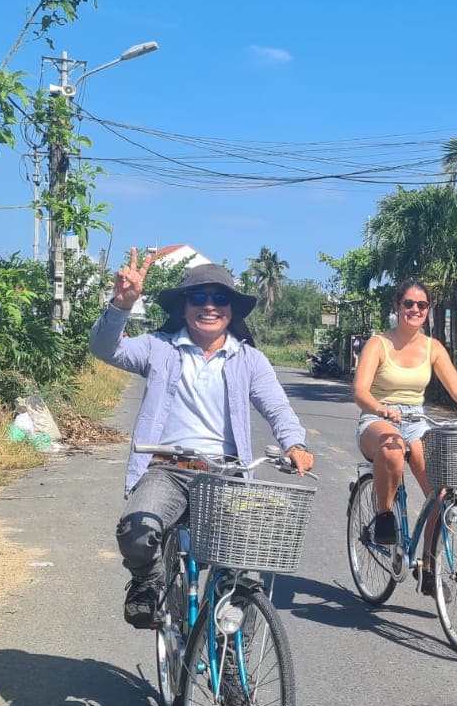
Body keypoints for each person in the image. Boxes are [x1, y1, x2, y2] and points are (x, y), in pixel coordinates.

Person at [90, 251, 315, 628]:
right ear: (184, 306)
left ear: (232, 309)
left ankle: (229, 670)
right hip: (166, 470)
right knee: (136, 530)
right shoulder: (158, 347)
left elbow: (277, 407)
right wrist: (122, 305)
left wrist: (295, 443)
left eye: (219, 299)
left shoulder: (249, 359)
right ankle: (148, 582)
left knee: (238, 574)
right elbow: (105, 348)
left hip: (225, 475)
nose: (209, 306)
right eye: (198, 298)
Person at [351, 279, 457, 595]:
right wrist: (380, 409)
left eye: (422, 305)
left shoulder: (433, 347)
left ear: (429, 310)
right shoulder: (379, 344)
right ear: (397, 306)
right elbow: (360, 392)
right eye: (408, 304)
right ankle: (384, 517)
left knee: (440, 494)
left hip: (416, 421)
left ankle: (429, 569)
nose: (415, 310)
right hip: (377, 419)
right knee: (392, 449)